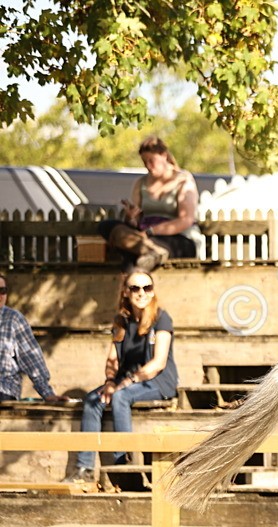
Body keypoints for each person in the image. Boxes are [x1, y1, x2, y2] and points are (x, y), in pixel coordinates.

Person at [65, 269, 179, 483]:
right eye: (135, 288)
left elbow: (158, 363)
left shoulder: (161, 318)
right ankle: (85, 469)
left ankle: (123, 467)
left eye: (147, 287)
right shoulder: (122, 321)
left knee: (120, 397)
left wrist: (124, 383)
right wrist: (110, 381)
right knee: (92, 400)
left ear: (153, 291)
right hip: (125, 382)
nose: (142, 293)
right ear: (126, 292)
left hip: (158, 382)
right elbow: (112, 359)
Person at [96, 136, 201, 271]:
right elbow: (136, 222)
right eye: (145, 162)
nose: (148, 166)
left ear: (163, 156)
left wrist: (151, 231)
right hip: (143, 238)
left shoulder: (184, 180)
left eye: (151, 161)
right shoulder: (140, 183)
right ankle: (150, 252)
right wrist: (131, 217)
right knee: (107, 226)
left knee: (130, 257)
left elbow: (185, 220)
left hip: (179, 239)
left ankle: (147, 258)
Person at [0, 274, 65, 403]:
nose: (0, 295)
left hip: (3, 389)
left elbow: (31, 359)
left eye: (2, 290)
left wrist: (47, 393)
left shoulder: (13, 319)